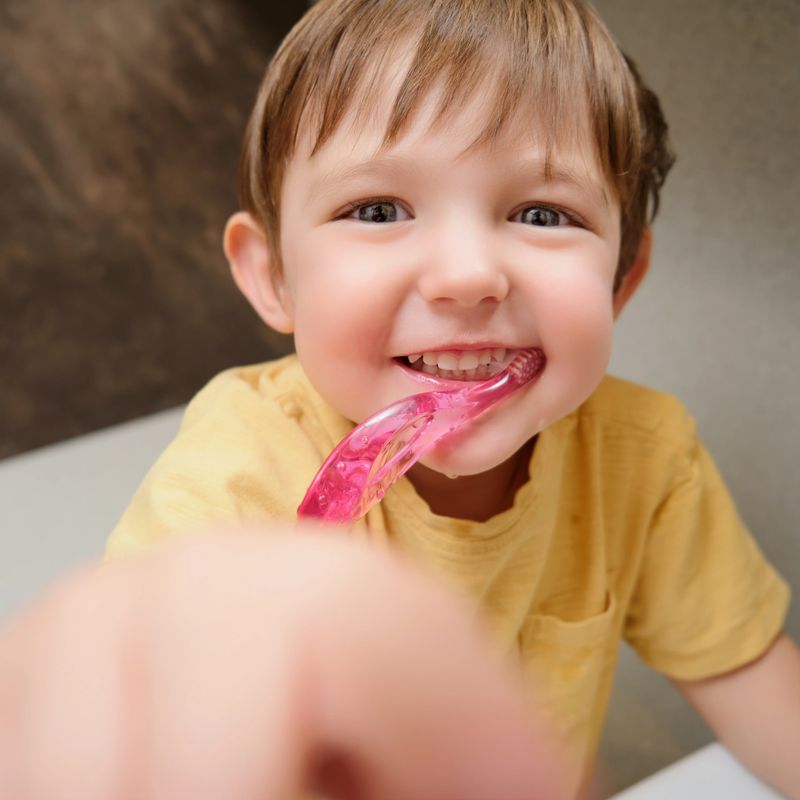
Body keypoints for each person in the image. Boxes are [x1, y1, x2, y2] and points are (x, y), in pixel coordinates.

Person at [2, 0, 798, 797]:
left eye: (542, 213)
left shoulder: (642, 458)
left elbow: (747, 670)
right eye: (378, 210)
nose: (466, 275)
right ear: (274, 276)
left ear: (621, 278)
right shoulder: (236, 478)